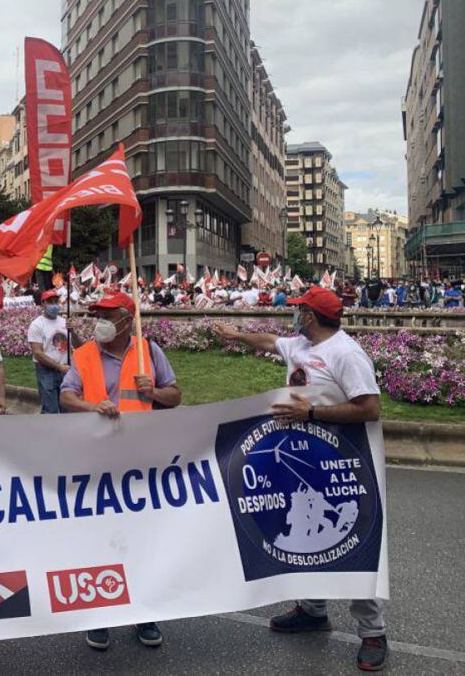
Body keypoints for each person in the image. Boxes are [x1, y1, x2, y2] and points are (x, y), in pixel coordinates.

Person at [212, 286, 388, 672]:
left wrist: (312, 415)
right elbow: (271, 341)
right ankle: (313, 610)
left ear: (311, 316)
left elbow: (371, 408)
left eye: (299, 311)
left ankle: (372, 631)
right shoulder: (301, 346)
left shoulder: (346, 353)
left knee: (351, 543)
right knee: (305, 535)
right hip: (298, 457)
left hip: (338, 463)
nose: (294, 316)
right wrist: (237, 335)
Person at [59, 292, 182, 652]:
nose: (100, 321)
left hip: (140, 464)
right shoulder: (84, 355)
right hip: (97, 462)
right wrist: (90, 406)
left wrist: (155, 391)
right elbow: (67, 396)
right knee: (102, 541)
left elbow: (176, 396)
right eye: (97, 315)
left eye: (107, 315)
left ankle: (145, 613)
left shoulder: (149, 352)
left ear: (127, 320)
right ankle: (103, 616)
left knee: (141, 540)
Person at [27, 290, 70, 414]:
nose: (54, 305)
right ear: (43, 304)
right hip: (47, 372)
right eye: (50, 302)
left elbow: (75, 345)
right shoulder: (36, 325)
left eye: (56, 301)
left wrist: (73, 331)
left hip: (65, 370)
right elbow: (37, 353)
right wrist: (58, 367)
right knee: (50, 410)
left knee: (66, 408)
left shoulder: (63, 322)